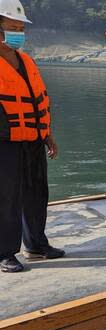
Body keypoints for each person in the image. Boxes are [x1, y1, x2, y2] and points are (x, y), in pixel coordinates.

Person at [0, 0, 63, 273]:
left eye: (21, 28)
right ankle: (4, 253)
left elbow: (39, 101)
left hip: (33, 140)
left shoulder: (26, 61)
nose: (18, 33)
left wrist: (47, 135)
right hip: (4, 143)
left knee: (37, 194)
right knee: (6, 198)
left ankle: (36, 244)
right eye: (12, 27)